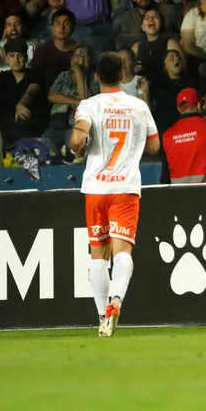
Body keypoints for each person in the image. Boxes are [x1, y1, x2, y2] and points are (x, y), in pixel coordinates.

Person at [71, 53, 161, 338]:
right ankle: (116, 301)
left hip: (96, 188)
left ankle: (101, 316)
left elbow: (77, 140)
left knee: (98, 253)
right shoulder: (139, 106)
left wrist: (78, 148)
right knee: (123, 250)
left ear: (96, 77)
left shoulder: (89, 105)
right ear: (124, 75)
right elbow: (155, 146)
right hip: (125, 187)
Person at [162, 88, 206, 184]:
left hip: (179, 195)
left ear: (179, 109)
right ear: (199, 105)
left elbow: (165, 177)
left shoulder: (166, 135)